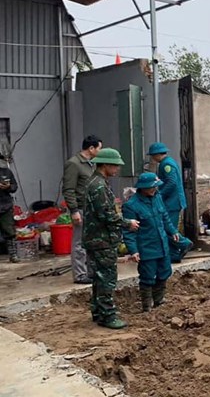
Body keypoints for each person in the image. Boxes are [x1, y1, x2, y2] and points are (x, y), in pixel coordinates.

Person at [83, 148, 139, 329]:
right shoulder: (98, 185)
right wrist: (127, 222)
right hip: (101, 239)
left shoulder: (97, 182)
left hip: (98, 238)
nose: (117, 169)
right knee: (107, 277)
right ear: (105, 164)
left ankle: (98, 311)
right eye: (115, 166)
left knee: (99, 277)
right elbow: (106, 215)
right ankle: (107, 315)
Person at [122, 173, 181, 312]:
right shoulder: (132, 205)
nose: (154, 189)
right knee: (147, 276)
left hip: (162, 244)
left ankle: (159, 301)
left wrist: (173, 231)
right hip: (146, 247)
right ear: (142, 188)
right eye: (151, 187)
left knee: (164, 272)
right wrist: (133, 250)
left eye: (155, 186)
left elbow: (164, 217)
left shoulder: (157, 197)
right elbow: (129, 232)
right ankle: (147, 306)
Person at [62, 135, 102, 283]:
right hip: (80, 208)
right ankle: (80, 275)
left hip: (91, 209)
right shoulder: (74, 164)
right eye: (99, 148)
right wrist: (73, 210)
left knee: (91, 241)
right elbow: (68, 189)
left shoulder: (92, 164)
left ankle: (90, 271)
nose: (100, 151)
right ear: (91, 148)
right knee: (79, 243)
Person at [148, 142, 192, 263]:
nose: (152, 158)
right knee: (168, 227)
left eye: (152, 155)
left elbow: (171, 182)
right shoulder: (168, 162)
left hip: (171, 202)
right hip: (173, 201)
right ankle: (173, 254)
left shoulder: (166, 164)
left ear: (157, 155)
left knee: (167, 228)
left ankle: (184, 243)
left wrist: (159, 195)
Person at [0, 157, 18, 263]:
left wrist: (8, 187)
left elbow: (14, 187)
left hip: (5, 206)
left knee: (10, 231)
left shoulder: (6, 172)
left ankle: (13, 255)